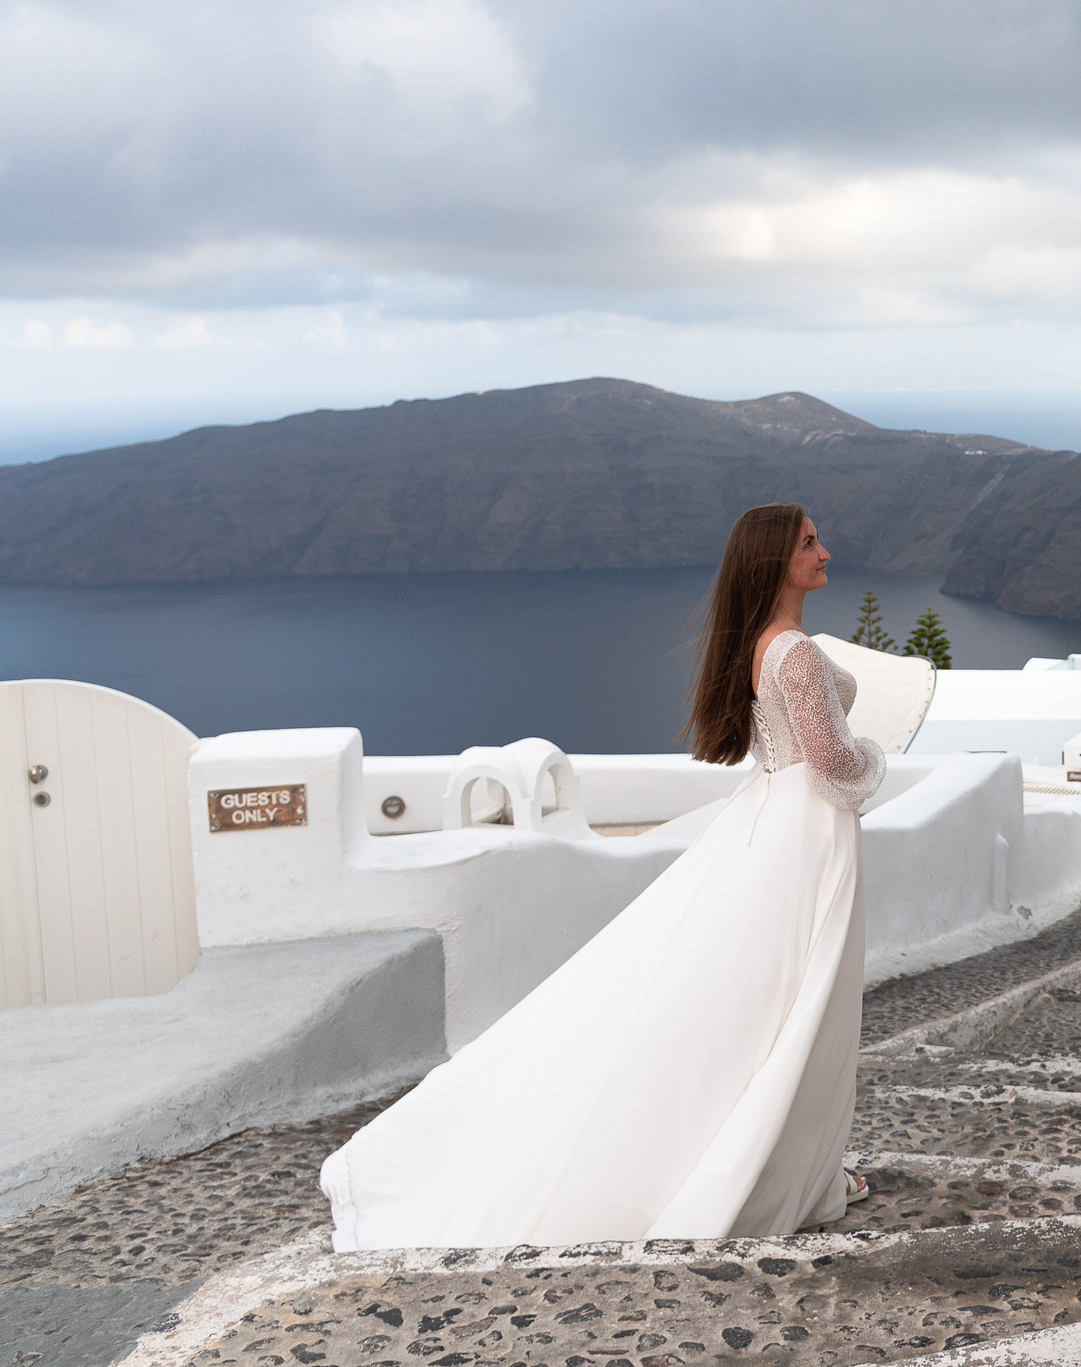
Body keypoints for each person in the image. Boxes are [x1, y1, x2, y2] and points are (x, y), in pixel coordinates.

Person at [320, 502, 887, 1248]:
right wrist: (876, 756)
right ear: (776, 559)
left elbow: (814, 707)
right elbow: (836, 762)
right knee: (807, 1001)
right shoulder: (794, 652)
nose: (826, 551)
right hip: (807, 832)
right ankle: (792, 1170)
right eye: (810, 542)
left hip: (770, 823)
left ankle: (796, 1164)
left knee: (769, 1005)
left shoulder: (762, 644)